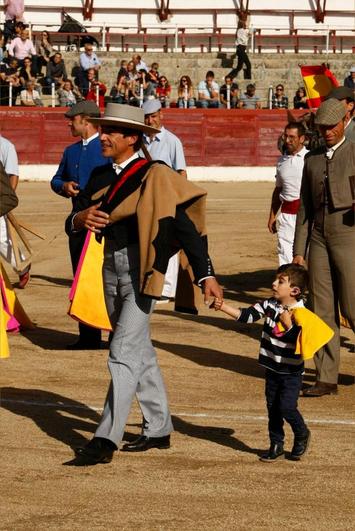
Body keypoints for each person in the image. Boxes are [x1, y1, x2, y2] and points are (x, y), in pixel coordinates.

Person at [65, 103, 222, 465]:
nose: (102, 136)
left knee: (121, 352)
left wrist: (205, 273)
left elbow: (186, 229)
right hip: (107, 267)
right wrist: (79, 218)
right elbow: (77, 219)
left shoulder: (155, 175)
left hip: (144, 269)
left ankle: (105, 439)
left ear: (132, 138)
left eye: (110, 132)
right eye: (102, 130)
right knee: (138, 350)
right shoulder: (100, 176)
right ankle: (159, 426)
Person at [212, 264, 311, 462]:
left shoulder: (303, 313)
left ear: (295, 291)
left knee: (287, 407)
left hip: (291, 372)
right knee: (272, 407)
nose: (274, 284)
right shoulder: (269, 304)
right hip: (271, 368)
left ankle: (301, 433)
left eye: (280, 281)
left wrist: (289, 323)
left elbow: (300, 342)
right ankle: (276, 444)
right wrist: (223, 307)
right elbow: (246, 316)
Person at [293, 98, 355, 396]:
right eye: (323, 127)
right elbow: (304, 208)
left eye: (332, 125)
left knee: (353, 306)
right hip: (318, 236)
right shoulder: (312, 158)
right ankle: (326, 376)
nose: (327, 131)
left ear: (345, 122)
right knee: (321, 309)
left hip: (350, 234)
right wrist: (298, 250)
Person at [50, 101, 109, 350]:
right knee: (81, 278)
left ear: (85, 120)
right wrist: (63, 186)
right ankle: (88, 336)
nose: (69, 123)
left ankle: (116, 334)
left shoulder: (106, 146)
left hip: (103, 219)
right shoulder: (71, 151)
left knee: (109, 279)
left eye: (72, 119)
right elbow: (56, 179)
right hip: (77, 219)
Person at [142, 98, 187, 299]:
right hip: (144, 198)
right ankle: (148, 282)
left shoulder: (172, 141)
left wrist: (180, 199)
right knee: (146, 239)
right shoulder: (139, 141)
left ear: (161, 115)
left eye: (153, 116)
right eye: (147, 117)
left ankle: (167, 289)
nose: (150, 121)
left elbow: (181, 173)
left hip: (166, 197)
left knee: (166, 240)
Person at [268, 122, 307, 265]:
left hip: (307, 216)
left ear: (302, 139)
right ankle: (288, 287)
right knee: (284, 254)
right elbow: (278, 190)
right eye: (286, 136)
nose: (288, 140)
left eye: (292, 137)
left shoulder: (310, 159)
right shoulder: (281, 161)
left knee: (307, 254)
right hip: (286, 215)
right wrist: (272, 216)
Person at [0, 134, 30, 287]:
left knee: (2, 240)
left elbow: (13, 175)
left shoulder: (6, 146)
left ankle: (23, 267)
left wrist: (6, 202)